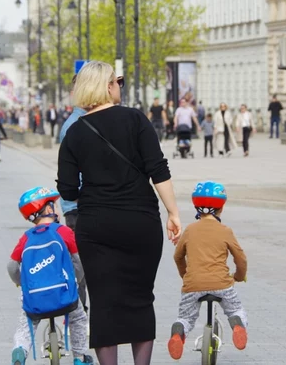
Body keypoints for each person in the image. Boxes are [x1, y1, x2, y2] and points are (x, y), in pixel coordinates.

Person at [57, 61, 182, 365]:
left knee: (103, 303)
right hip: (141, 223)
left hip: (97, 226)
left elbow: (68, 191)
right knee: (140, 299)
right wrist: (173, 212)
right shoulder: (135, 119)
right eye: (116, 82)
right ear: (107, 86)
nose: (118, 87)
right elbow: (158, 169)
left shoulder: (74, 132)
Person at [7, 187, 94, 365]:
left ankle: (19, 352)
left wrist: (21, 283)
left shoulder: (26, 238)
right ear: (47, 210)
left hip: (35, 297)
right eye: (53, 205)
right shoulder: (63, 232)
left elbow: (12, 266)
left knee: (27, 323)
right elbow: (79, 261)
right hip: (64, 295)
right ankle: (79, 358)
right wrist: (76, 279)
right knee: (78, 318)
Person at [168, 181, 248, 360]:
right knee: (236, 310)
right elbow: (240, 258)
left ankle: (177, 334)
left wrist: (186, 276)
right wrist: (239, 276)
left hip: (192, 285)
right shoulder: (225, 230)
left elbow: (177, 257)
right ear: (221, 207)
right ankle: (237, 325)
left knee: (186, 318)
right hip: (222, 284)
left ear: (196, 206)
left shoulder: (189, 230)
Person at [58, 74, 88, 312]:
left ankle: (81, 317)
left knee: (82, 266)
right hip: (80, 207)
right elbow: (70, 177)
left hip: (77, 207)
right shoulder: (76, 125)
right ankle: (80, 317)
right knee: (82, 267)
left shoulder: (78, 122)